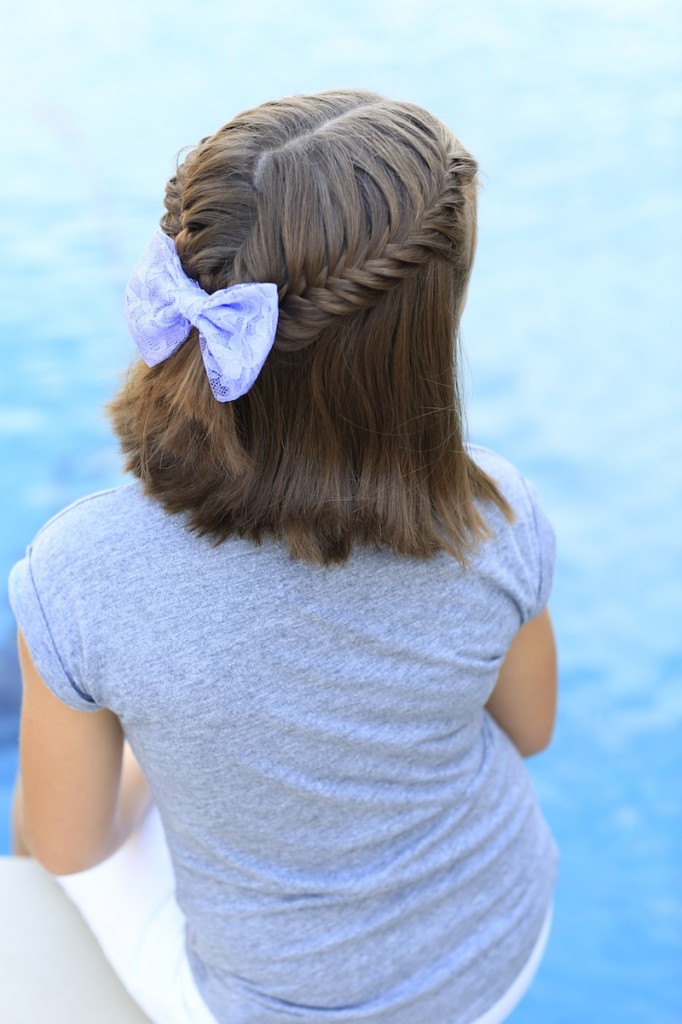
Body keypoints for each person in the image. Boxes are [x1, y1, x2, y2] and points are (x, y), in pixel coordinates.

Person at [8, 89, 558, 1024]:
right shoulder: (494, 512)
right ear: (419, 345)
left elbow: (65, 844)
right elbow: (530, 729)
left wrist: (162, 752)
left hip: (267, 1005)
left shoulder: (80, 568)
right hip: (495, 948)